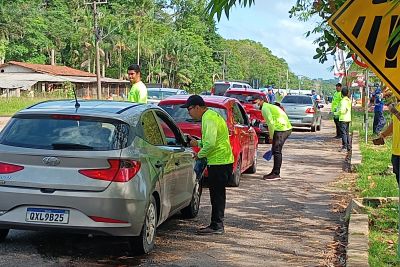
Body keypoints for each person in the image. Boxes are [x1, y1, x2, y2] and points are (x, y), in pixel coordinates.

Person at [181, 95, 234, 235]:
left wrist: (199, 154)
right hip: (221, 160)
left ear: (198, 107)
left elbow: (210, 144)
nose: (188, 112)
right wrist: (197, 143)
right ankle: (216, 224)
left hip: (219, 162)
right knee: (217, 195)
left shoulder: (208, 118)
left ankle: (217, 225)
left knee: (217, 196)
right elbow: (210, 142)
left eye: (189, 109)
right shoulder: (209, 116)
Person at [253, 95, 292, 180]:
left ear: (260, 101)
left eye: (255, 102)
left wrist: (271, 137)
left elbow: (270, 123)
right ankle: (274, 171)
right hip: (284, 127)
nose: (254, 105)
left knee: (277, 151)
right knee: (275, 150)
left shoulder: (265, 108)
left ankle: (276, 173)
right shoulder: (268, 106)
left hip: (282, 129)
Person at [375, 102, 400, 185]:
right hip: (396, 151)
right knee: (398, 177)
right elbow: (394, 123)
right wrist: (383, 135)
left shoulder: (395, 109)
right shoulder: (398, 105)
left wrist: (395, 112)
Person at [334, 87, 352, 152]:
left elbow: (342, 110)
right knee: (346, 133)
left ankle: (344, 146)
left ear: (342, 93)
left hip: (343, 118)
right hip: (348, 118)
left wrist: (335, 113)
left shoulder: (343, 101)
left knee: (343, 133)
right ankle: (348, 146)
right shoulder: (349, 100)